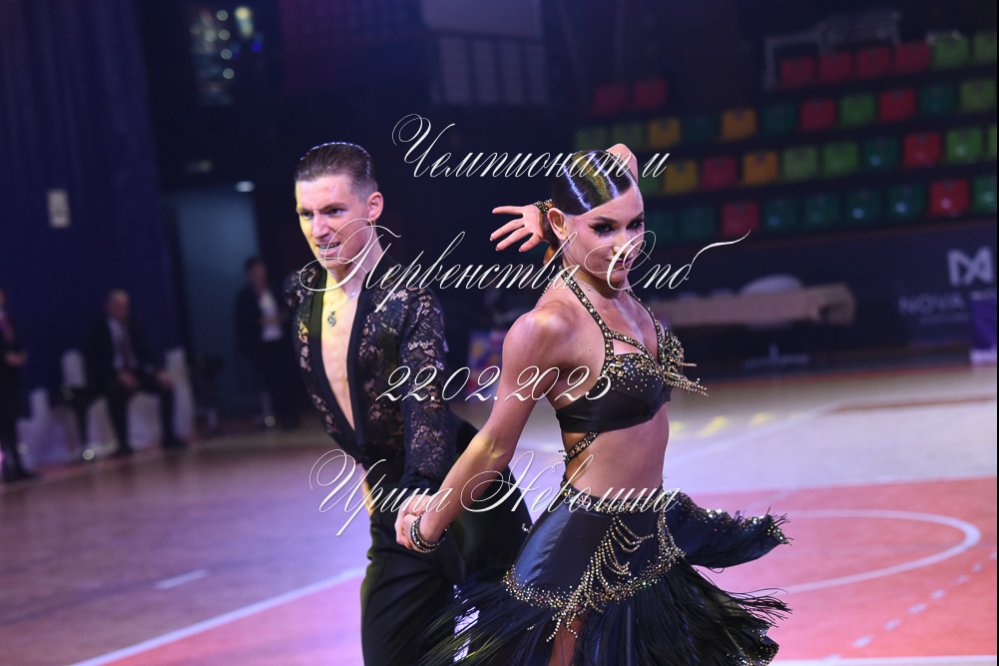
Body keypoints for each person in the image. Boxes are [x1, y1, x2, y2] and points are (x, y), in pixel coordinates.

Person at [396, 150, 789, 665]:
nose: (625, 245)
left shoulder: (615, 285)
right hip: (580, 554)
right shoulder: (547, 328)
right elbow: (493, 444)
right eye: (604, 228)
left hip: (648, 534)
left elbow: (623, 157)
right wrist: (429, 525)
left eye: (636, 224)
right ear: (566, 226)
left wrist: (550, 214)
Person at [283, 142, 531, 665]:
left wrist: (418, 491)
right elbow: (350, 408)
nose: (319, 228)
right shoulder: (303, 297)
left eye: (334, 210)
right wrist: (371, 473)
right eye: (307, 213)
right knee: (388, 651)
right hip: (392, 501)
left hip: (461, 494)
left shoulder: (407, 299)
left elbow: (426, 407)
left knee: (513, 651)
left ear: (372, 207)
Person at [85, 289, 186, 456]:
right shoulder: (99, 330)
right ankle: (123, 444)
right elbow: (95, 360)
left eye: (125, 307)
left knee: (166, 386)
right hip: (111, 375)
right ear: (109, 307)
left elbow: (146, 351)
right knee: (114, 391)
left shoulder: (133, 325)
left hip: (136, 372)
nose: (122, 311)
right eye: (118, 307)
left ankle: (169, 436)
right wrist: (118, 374)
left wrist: (159, 371)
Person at [234, 256, 300, 430]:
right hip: (262, 346)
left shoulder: (274, 290)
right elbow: (244, 321)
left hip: (280, 342)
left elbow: (288, 310)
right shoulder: (245, 296)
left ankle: (292, 415)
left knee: (287, 378)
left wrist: (281, 318)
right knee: (272, 381)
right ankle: (279, 416)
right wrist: (260, 322)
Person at [0, 287, 39, 482]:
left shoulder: (10, 320)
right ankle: (7, 467)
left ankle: (18, 465)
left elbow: (19, 342)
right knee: (2, 426)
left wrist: (21, 355)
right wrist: (4, 358)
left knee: (12, 424)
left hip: (12, 380)